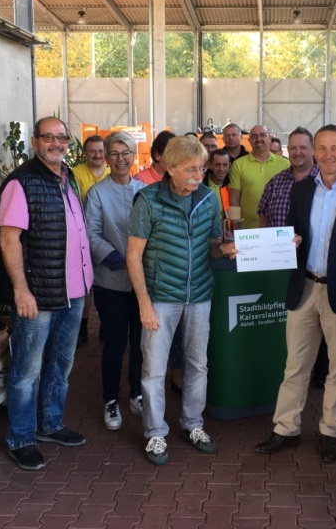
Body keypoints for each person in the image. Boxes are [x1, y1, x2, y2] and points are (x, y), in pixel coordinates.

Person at [255, 125, 336, 463]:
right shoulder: (301, 190)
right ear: (314, 152)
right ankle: (286, 428)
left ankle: (330, 432)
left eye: (334, 148)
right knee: (295, 364)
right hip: (304, 287)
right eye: (321, 148)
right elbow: (293, 237)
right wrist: (289, 242)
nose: (327, 155)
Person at [126, 136, 237, 465]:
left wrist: (224, 249)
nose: (198, 176)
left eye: (201, 169)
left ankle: (192, 424)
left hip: (200, 295)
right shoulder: (148, 200)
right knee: (154, 369)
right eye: (191, 169)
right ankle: (155, 432)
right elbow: (133, 256)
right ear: (170, 167)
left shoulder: (208, 198)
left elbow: (213, 244)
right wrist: (144, 304)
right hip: (160, 297)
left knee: (198, 365)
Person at [0, 117, 93, 471]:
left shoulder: (68, 178)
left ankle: (50, 424)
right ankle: (21, 438)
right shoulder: (21, 182)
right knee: (26, 372)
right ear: (35, 142)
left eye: (61, 137)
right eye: (48, 137)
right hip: (37, 294)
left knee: (60, 365)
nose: (56, 143)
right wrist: (21, 290)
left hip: (73, 293)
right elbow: (9, 240)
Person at [85, 131, 145, 432]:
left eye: (126, 153)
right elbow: (91, 234)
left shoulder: (145, 190)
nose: (120, 159)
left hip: (143, 283)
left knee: (141, 343)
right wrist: (119, 260)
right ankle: (111, 399)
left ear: (134, 156)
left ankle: (137, 394)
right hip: (110, 282)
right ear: (107, 157)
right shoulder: (97, 193)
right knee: (115, 345)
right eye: (114, 153)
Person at [72, 134, 110, 347]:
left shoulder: (114, 172)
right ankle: (82, 327)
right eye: (92, 151)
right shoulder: (75, 174)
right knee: (85, 286)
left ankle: (106, 323)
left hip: (110, 239)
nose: (97, 155)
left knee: (106, 285)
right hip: (82, 239)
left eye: (101, 151)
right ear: (84, 153)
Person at [228, 124, 290, 229]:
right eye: (254, 136)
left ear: (270, 138)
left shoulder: (285, 164)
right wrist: (235, 229)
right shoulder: (238, 164)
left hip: (278, 229)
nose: (258, 139)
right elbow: (234, 201)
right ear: (249, 140)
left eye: (262, 135)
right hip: (248, 230)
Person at [257, 127, 318, 228]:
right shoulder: (274, 183)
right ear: (288, 150)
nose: (297, 152)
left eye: (303, 147)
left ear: (313, 150)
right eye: (293, 148)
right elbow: (263, 219)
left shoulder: (324, 181)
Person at [204, 148, 231, 217]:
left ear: (229, 166)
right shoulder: (200, 185)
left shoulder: (232, 186)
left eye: (225, 165)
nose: (221, 169)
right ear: (210, 165)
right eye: (217, 165)